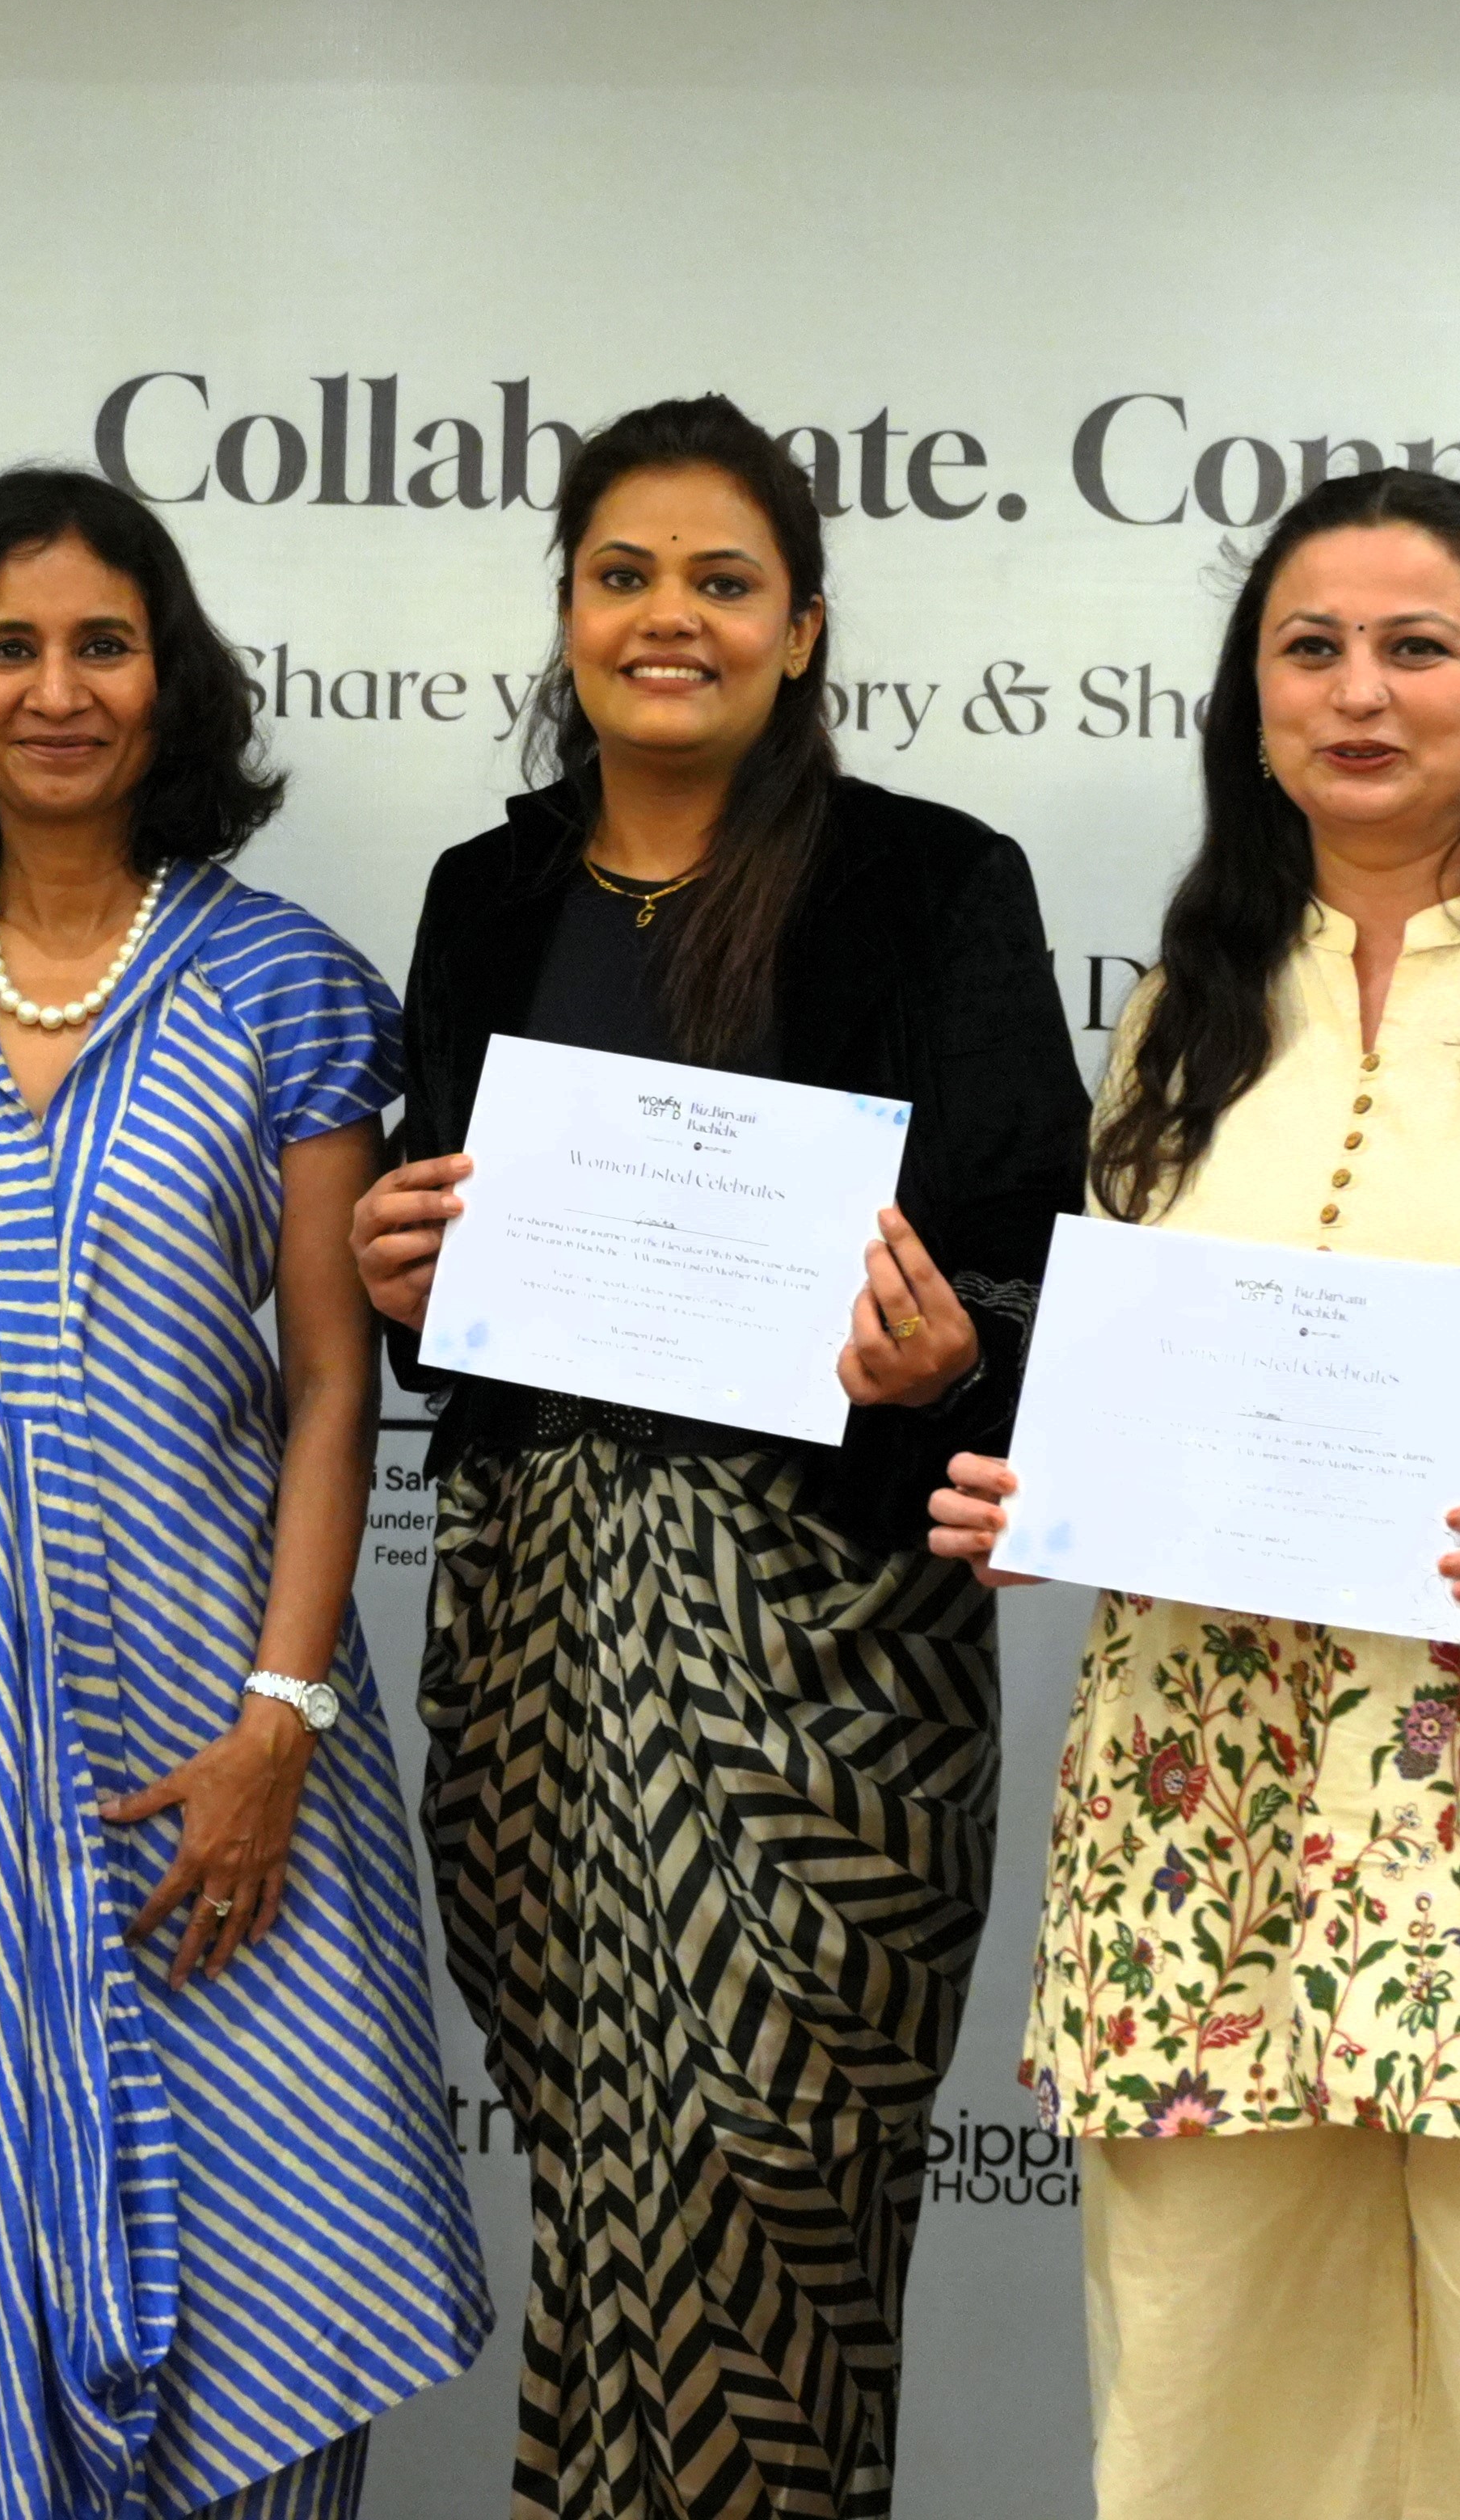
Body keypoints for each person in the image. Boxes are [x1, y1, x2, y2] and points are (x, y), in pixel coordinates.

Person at [922, 466, 1460, 2519]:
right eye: (1309, 648)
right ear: (1250, 698)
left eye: (1419, 648)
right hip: (1204, 1822)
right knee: (1222, 2406)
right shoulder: (1186, 1013)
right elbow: (1144, 1388)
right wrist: (1041, 1494)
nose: (1360, 694)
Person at [0, 468, 486, 2520]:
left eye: (104, 645)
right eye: (10, 647)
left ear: (175, 683)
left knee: (264, 2336)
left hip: (221, 1777)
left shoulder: (286, 989)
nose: (59, 690)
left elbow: (336, 1388)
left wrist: (281, 1730)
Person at [349, 394, 1092, 2520]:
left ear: (805, 625)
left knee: (759, 2218)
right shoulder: (485, 892)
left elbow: (1034, 1256)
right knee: (605, 2210)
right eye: (623, 574)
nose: (668, 615)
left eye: (722, 579)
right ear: (568, 612)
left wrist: (959, 1342)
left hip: (821, 1670)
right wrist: (404, 1263)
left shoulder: (929, 882)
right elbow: (454, 1278)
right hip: (534, 1662)